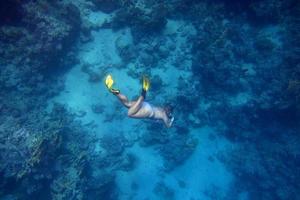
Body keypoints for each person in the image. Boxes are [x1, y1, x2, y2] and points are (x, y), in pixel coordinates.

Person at [105, 74, 174, 128]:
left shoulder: (161, 108)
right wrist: (171, 119)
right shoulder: (164, 115)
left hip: (146, 105)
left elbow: (163, 113)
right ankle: (144, 91)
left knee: (127, 104)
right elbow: (168, 126)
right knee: (129, 114)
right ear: (169, 111)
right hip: (148, 112)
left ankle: (113, 90)